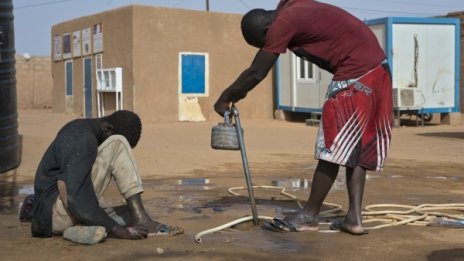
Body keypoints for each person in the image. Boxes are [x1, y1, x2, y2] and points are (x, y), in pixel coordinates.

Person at [214, 0, 392, 235]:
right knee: (356, 150)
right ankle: (354, 219)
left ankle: (309, 216)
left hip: (355, 76)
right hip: (379, 71)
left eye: (265, 42)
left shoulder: (281, 23)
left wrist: (226, 97)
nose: (273, 45)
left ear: (267, 31)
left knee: (331, 148)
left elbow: (257, 71)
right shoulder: (291, 8)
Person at [30, 110, 183, 240]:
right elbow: (74, 196)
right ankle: (139, 220)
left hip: (52, 216)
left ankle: (83, 228)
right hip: (53, 216)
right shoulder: (81, 137)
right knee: (119, 143)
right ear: (108, 128)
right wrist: (119, 230)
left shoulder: (84, 132)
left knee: (129, 213)